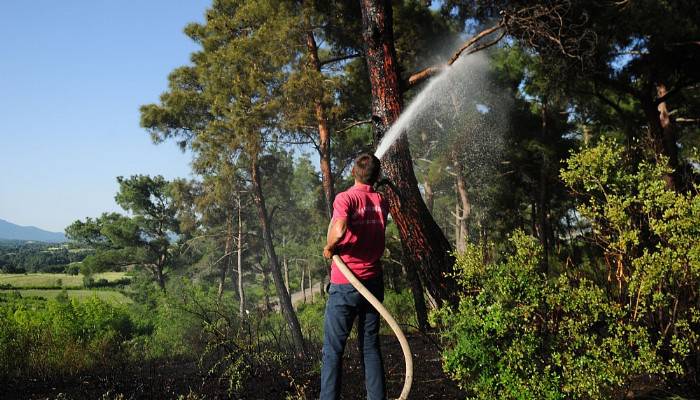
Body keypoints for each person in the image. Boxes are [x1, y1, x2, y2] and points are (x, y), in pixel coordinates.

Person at [320, 153, 389, 400]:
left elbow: (338, 229)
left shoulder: (345, 198)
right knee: (370, 347)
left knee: (332, 351)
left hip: (346, 284)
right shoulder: (381, 200)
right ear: (377, 176)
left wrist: (329, 248)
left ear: (352, 172)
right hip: (373, 282)